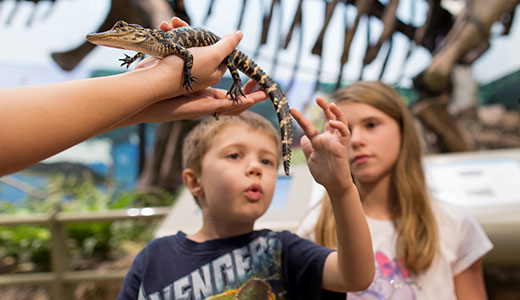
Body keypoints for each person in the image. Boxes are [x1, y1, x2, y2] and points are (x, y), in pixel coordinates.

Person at [117, 108, 375, 299]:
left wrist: (341, 188)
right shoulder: (154, 258)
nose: (255, 167)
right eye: (234, 155)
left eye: (267, 161)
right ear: (194, 181)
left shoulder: (282, 251)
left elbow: (355, 276)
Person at [296, 81, 493, 299]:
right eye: (346, 129)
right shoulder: (314, 229)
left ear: (402, 130)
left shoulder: (454, 224)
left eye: (371, 125)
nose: (357, 140)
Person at [0, 17, 267, 176]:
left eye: (121, 29)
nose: (113, 34)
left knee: (230, 61)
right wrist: (154, 84)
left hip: (204, 57)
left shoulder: (158, 42)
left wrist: (154, 90)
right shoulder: (152, 46)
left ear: (138, 31)